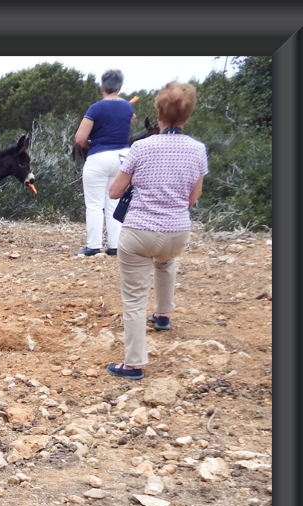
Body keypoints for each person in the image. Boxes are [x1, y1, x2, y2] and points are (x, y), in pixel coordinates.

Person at [105, 81, 208, 380]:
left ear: (159, 113)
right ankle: (163, 314)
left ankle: (134, 363)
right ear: (187, 116)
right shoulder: (197, 150)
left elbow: (114, 192)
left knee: (135, 298)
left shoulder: (141, 147)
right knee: (166, 260)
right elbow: (192, 198)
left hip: (139, 232)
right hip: (177, 232)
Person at [74, 69, 137, 257]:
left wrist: (90, 145)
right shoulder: (128, 107)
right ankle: (114, 245)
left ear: (102, 87)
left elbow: (80, 138)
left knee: (94, 204)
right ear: (120, 87)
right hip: (123, 158)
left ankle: (93, 246)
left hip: (99, 156)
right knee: (113, 202)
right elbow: (130, 121)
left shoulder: (95, 108)